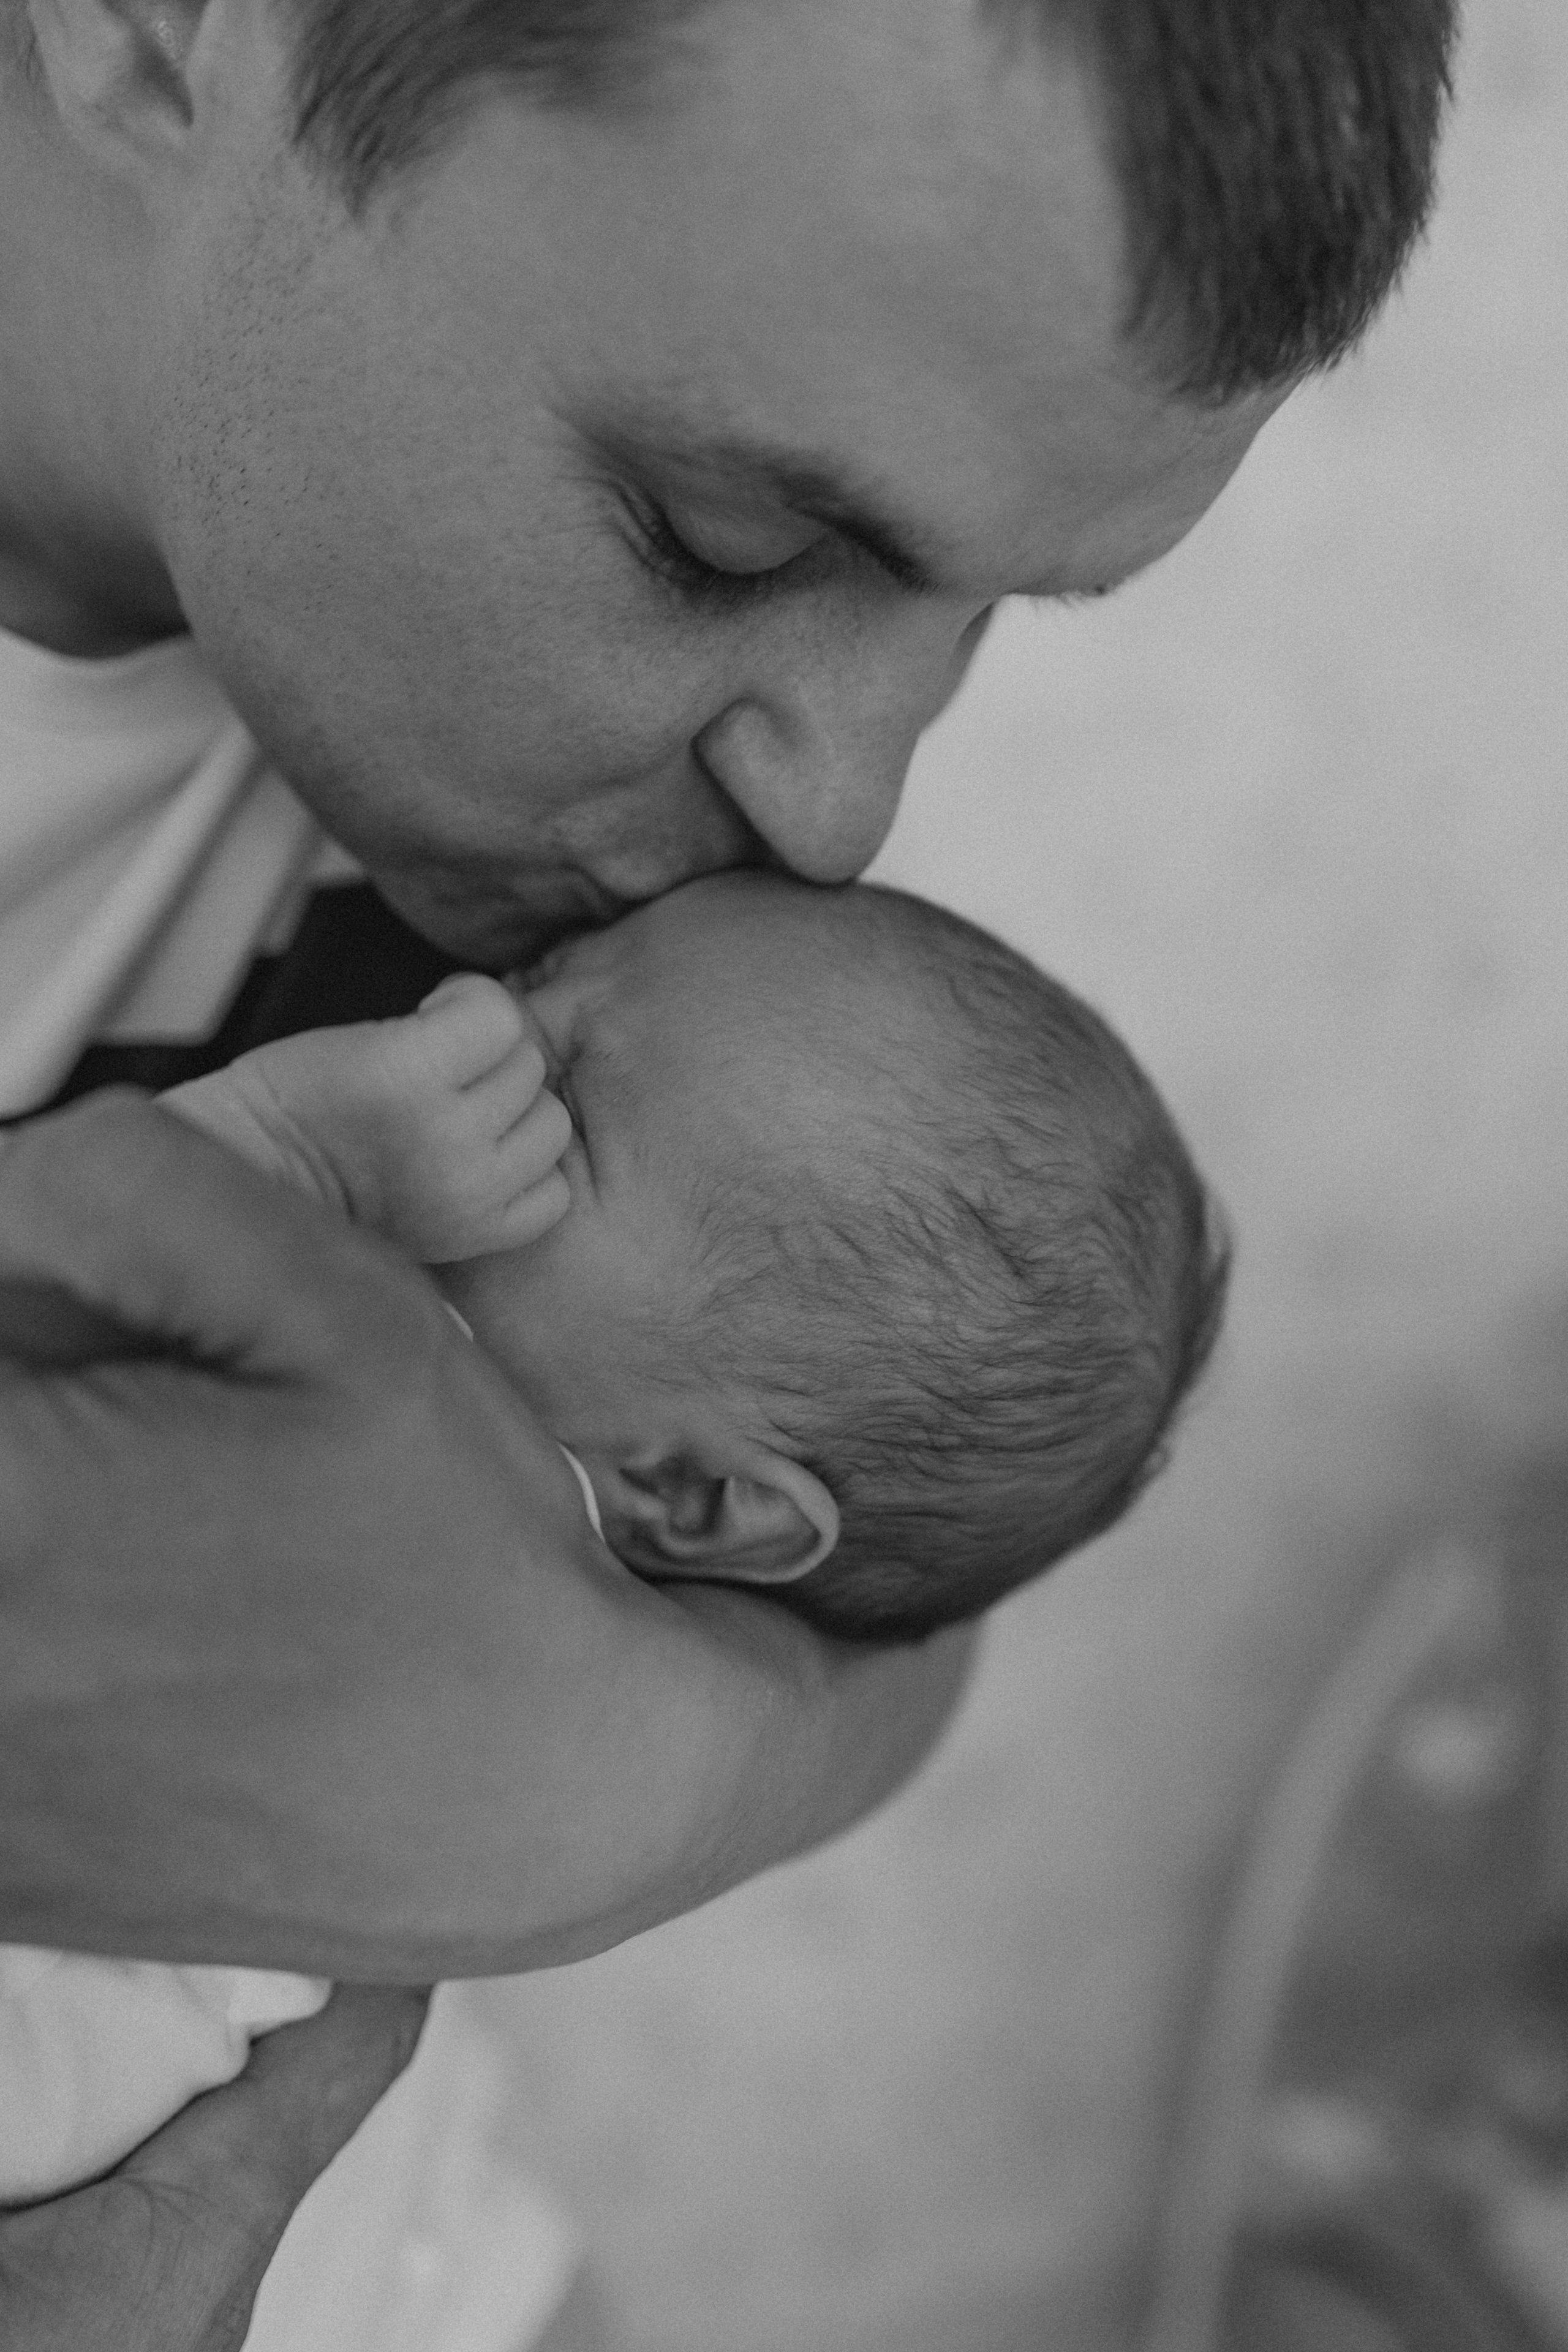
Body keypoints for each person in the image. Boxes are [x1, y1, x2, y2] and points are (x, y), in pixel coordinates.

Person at [0, 0, 1455, 2339]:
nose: (844, 808)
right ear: (164, 36)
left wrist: (609, 1782)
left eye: (979, 615)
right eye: (727, 540)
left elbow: (904, 1468)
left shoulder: (508, 765)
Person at [3, 866, 1229, 2202]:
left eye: (563, 1105)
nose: (462, 1009)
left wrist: (286, 1152)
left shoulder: (432, 1524)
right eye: (548, 969)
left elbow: (59, 1274)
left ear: (692, 1499)